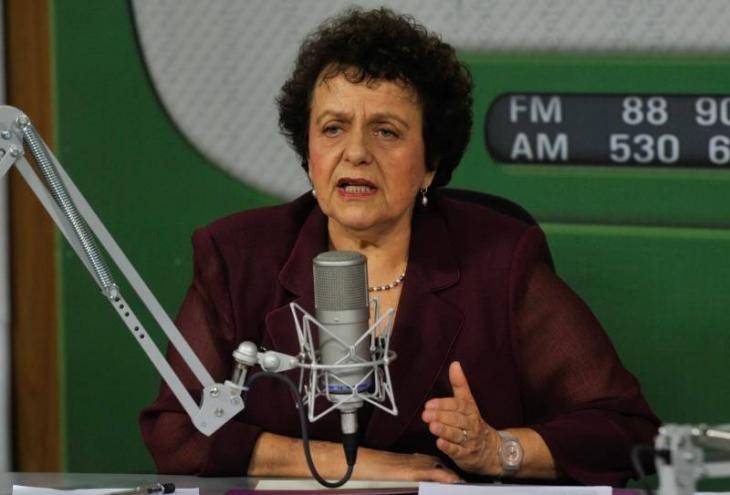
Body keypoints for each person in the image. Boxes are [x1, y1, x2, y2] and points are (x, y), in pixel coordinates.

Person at [140, 7, 659, 485]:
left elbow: (624, 428)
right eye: (333, 128)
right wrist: (361, 468)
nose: (356, 152)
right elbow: (177, 430)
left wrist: (497, 449)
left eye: (386, 132)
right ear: (308, 153)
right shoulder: (238, 256)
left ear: (430, 162)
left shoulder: (500, 260)